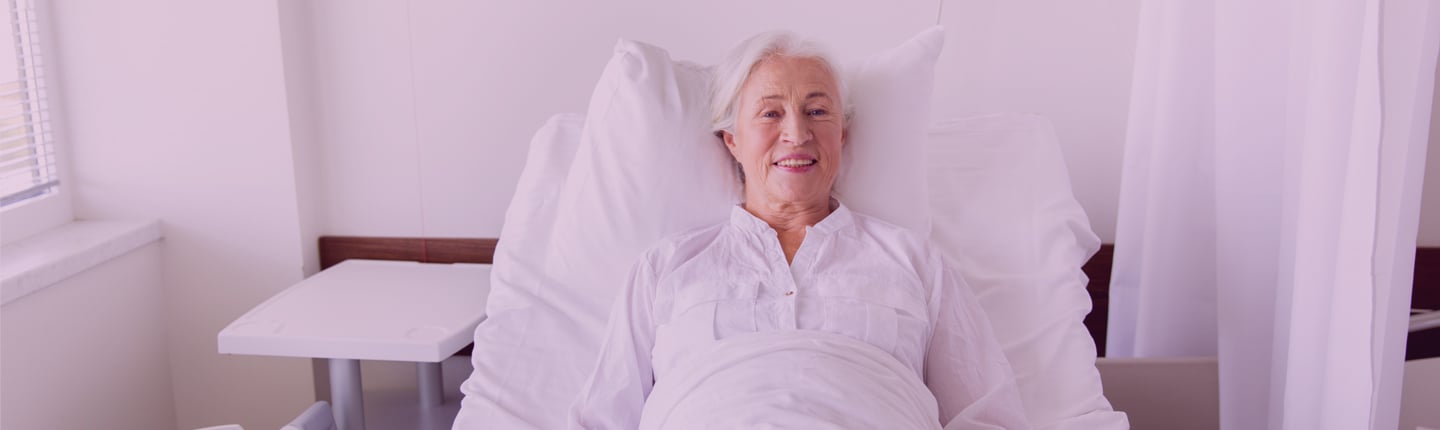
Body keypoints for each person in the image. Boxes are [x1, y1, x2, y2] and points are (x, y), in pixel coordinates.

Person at [569, 31, 1030, 429]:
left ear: (841, 135)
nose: (797, 133)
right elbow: (603, 419)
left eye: (817, 112)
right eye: (770, 114)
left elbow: (987, 414)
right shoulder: (666, 269)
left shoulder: (914, 263)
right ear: (732, 140)